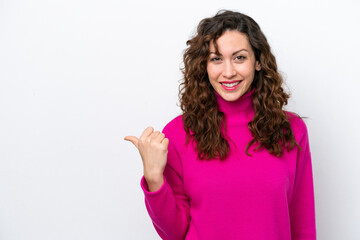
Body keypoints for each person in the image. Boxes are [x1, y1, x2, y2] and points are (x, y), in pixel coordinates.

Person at [124, 9, 316, 240]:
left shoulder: (291, 130)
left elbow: (302, 223)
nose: (228, 72)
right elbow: (175, 233)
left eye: (239, 57)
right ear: (204, 66)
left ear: (258, 61)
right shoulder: (177, 134)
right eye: (216, 59)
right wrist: (154, 179)